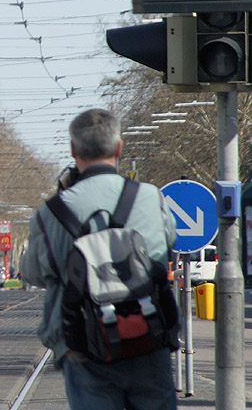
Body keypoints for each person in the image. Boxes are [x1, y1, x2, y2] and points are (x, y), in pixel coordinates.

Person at [21, 108, 177, 410]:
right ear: (119, 148)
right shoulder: (150, 197)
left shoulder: (52, 212)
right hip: (148, 334)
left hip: (83, 342)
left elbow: (34, 273)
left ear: (73, 150)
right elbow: (166, 249)